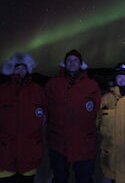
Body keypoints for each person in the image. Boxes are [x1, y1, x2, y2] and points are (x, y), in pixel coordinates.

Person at [45, 49, 101, 183]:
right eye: (69, 60)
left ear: (80, 64)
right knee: (60, 177)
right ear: (64, 63)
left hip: (84, 142)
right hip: (59, 142)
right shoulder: (53, 84)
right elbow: (44, 106)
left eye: (75, 60)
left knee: (84, 178)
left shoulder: (91, 85)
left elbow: (98, 110)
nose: (72, 63)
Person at [0, 52, 46, 183]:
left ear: (28, 69)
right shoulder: (2, 90)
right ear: (12, 69)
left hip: (30, 148)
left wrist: (40, 121)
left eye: (23, 67)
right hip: (6, 149)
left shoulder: (37, 90)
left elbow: (45, 111)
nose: (20, 71)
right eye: (17, 67)